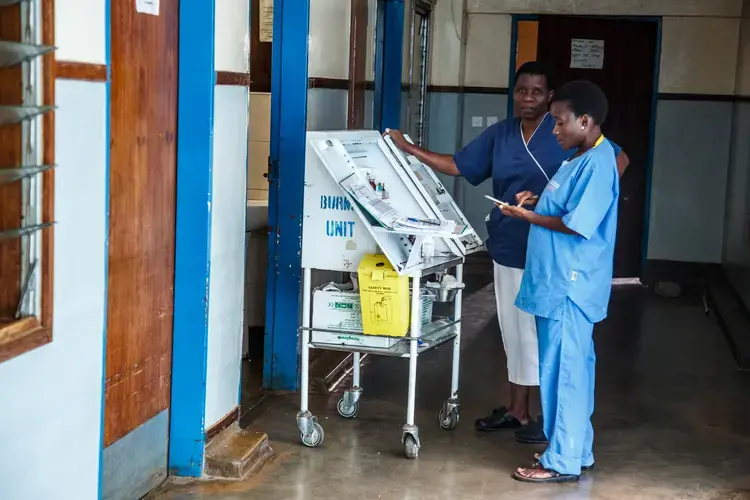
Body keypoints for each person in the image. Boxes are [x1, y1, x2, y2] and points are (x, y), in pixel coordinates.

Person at [384, 62, 629, 439]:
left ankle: (554, 425)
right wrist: (410, 149)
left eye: (536, 91)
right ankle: (519, 411)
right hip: (511, 243)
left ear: (551, 99)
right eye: (521, 90)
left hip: (555, 254)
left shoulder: (570, 134)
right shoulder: (503, 134)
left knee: (549, 340)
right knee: (515, 333)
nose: (528, 98)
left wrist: (573, 200)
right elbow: (461, 165)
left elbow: (615, 163)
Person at [499, 80, 619, 483]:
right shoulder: (580, 157)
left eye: (559, 123)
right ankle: (575, 448)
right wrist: (538, 200)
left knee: (564, 372)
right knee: (572, 370)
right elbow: (565, 202)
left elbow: (575, 224)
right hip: (560, 284)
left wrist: (528, 218)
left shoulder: (599, 164)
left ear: (584, 121)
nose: (554, 130)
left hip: (570, 286)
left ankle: (561, 461)